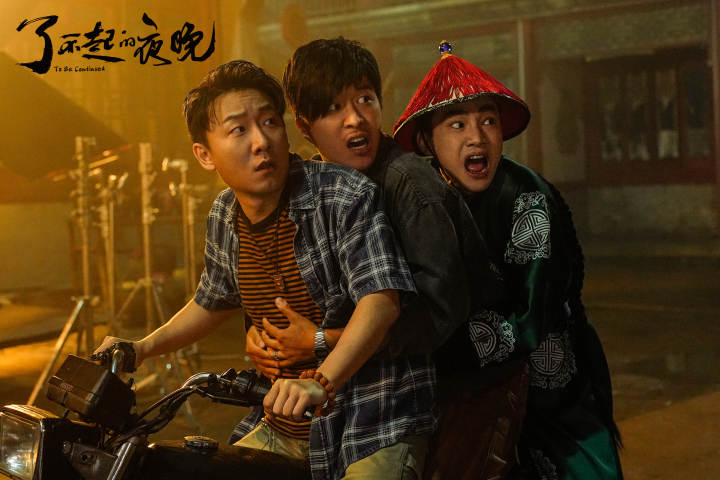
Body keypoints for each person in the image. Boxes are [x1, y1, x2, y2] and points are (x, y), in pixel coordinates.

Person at [95, 60, 437, 480]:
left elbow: (381, 301)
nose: (261, 141)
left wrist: (321, 381)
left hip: (374, 420)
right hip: (282, 424)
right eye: (239, 129)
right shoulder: (225, 214)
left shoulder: (343, 195)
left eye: (270, 122)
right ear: (205, 154)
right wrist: (141, 347)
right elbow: (212, 300)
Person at [246, 37, 526, 479]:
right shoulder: (315, 186)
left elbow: (439, 314)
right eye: (334, 108)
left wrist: (322, 341)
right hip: (343, 395)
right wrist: (263, 337)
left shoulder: (410, 187)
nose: (356, 118)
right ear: (304, 126)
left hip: (442, 390)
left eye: (365, 99)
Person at [392, 41, 624, 479]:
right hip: (463, 389)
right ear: (426, 140)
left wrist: (436, 347)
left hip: (547, 386)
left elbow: (531, 319)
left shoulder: (528, 198)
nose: (477, 137)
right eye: (457, 124)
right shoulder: (421, 196)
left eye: (488, 121)